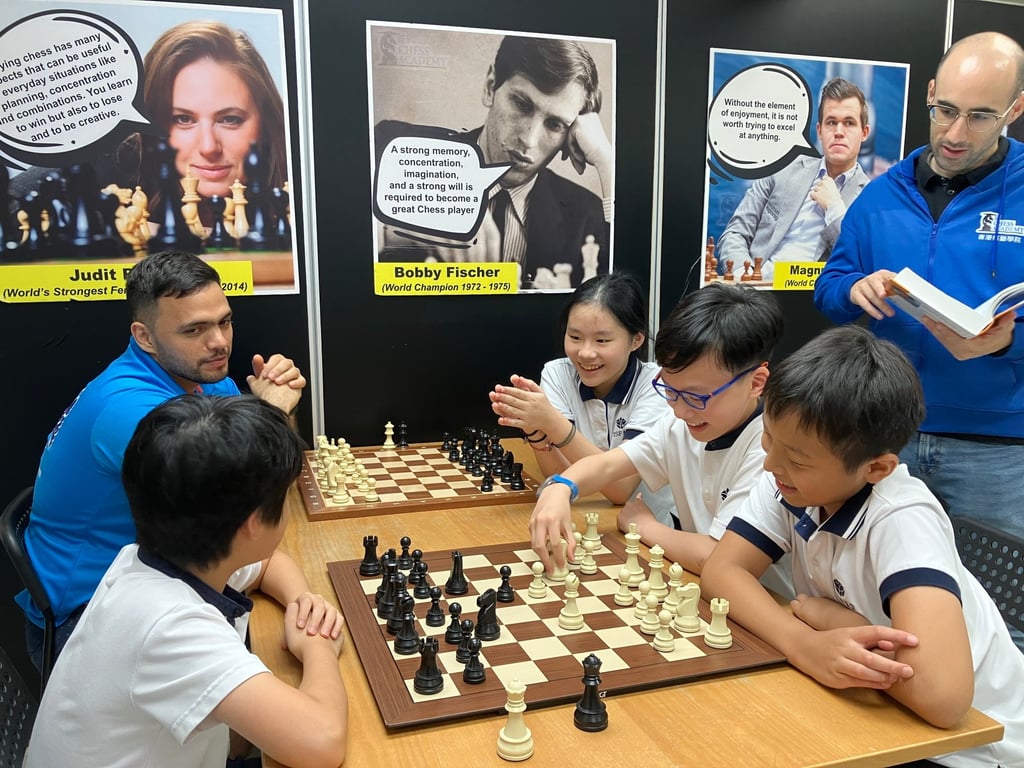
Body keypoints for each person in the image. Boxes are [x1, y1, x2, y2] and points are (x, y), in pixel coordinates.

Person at [701, 326, 1024, 767]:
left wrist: (829, 620)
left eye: (796, 458)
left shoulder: (902, 518)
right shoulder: (786, 480)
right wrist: (803, 642)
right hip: (876, 708)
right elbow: (722, 572)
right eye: (769, 437)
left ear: (877, 467)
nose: (772, 463)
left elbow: (944, 700)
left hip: (966, 748)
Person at [813, 32, 1024, 648]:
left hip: (996, 446)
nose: (957, 131)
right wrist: (853, 292)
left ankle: (998, 743)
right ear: (929, 95)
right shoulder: (884, 191)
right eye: (946, 110)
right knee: (879, 601)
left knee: (999, 614)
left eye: (981, 115)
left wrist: (1004, 345)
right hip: (886, 433)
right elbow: (829, 284)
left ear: (1015, 108)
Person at [25, 394, 349, 768]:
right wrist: (319, 648)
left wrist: (301, 599)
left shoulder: (154, 558)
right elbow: (322, 743)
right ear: (254, 524)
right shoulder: (170, 627)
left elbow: (265, 564)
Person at [18, 249, 306, 670]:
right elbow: (250, 497)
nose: (220, 343)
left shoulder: (201, 376)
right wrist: (275, 413)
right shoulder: (128, 409)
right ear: (145, 336)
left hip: (161, 580)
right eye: (195, 329)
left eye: (224, 321)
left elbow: (272, 479)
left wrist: (271, 415)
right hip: (85, 617)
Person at [528, 283, 793, 599]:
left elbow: (719, 557)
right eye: (669, 390)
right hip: (704, 591)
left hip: (770, 601)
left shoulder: (771, 451)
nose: (679, 409)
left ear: (755, 383)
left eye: (695, 396)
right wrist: (562, 486)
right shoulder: (681, 424)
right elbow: (610, 463)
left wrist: (646, 528)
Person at [375, 35, 612, 288]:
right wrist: (402, 224)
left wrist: (605, 160)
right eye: (522, 104)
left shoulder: (587, 217)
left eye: (555, 125)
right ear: (490, 87)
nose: (529, 140)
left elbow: (626, 301)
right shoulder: (395, 150)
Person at [489, 272, 673, 519]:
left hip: (650, 532)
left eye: (602, 340)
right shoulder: (557, 374)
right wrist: (534, 430)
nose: (585, 353)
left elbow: (620, 490)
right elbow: (560, 472)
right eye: (575, 337)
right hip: (588, 516)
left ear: (636, 339)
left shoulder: (657, 385)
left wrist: (551, 423)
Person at [717, 78, 870, 282]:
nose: (839, 132)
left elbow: (863, 261)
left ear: (864, 133)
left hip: (812, 299)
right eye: (831, 122)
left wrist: (834, 208)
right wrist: (742, 277)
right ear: (819, 131)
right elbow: (735, 232)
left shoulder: (872, 197)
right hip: (756, 289)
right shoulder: (781, 169)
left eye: (849, 123)